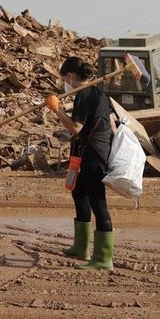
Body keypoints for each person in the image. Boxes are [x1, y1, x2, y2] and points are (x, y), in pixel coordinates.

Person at [45, 57, 114, 270]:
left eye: (63, 78)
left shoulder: (85, 94)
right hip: (91, 151)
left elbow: (75, 128)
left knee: (97, 201)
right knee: (79, 193)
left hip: (94, 153)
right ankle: (80, 247)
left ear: (69, 76)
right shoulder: (99, 93)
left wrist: (56, 110)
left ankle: (103, 258)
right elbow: (110, 122)